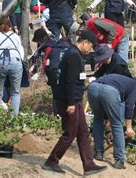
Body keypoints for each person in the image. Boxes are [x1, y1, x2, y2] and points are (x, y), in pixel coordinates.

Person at [43, 30, 106, 175]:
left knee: (83, 132)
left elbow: (75, 79)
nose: (91, 50)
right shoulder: (73, 55)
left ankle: (89, 165)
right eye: (90, 46)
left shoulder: (75, 54)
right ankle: (52, 161)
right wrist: (71, 103)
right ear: (84, 43)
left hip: (75, 99)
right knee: (69, 133)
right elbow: (69, 82)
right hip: (69, 101)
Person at [88, 74, 136, 169]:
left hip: (93, 87)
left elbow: (106, 107)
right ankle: (119, 160)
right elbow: (129, 105)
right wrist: (129, 127)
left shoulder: (122, 80)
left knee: (98, 118)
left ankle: (98, 152)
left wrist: (108, 129)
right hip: (109, 91)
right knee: (117, 124)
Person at [0, 17, 24, 117]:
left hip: (0, 62)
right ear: (10, 26)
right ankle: (14, 119)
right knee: (15, 92)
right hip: (16, 62)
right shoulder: (15, 36)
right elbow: (20, 52)